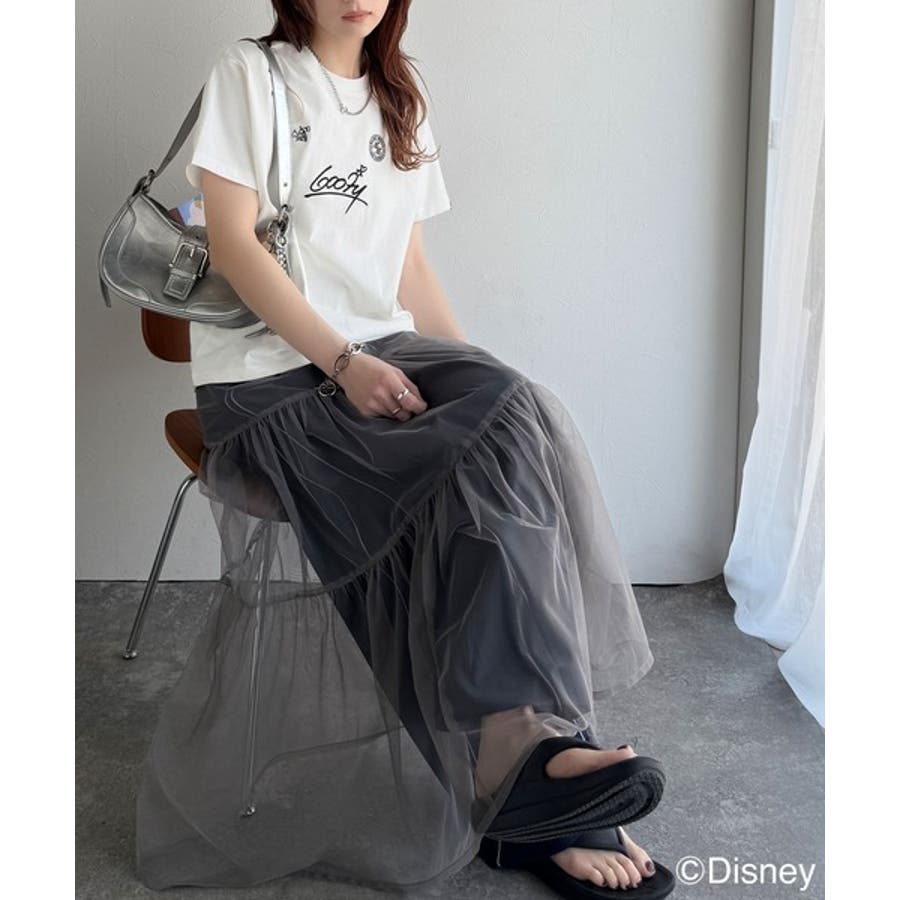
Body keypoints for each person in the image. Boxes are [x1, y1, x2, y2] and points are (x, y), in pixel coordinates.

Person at [134, 2, 672, 896]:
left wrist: (477, 396)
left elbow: (409, 267)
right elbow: (230, 244)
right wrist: (344, 364)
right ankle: (522, 768)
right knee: (465, 468)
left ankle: (527, 747)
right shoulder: (251, 73)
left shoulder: (400, 93)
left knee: (513, 419)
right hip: (271, 382)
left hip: (380, 352)